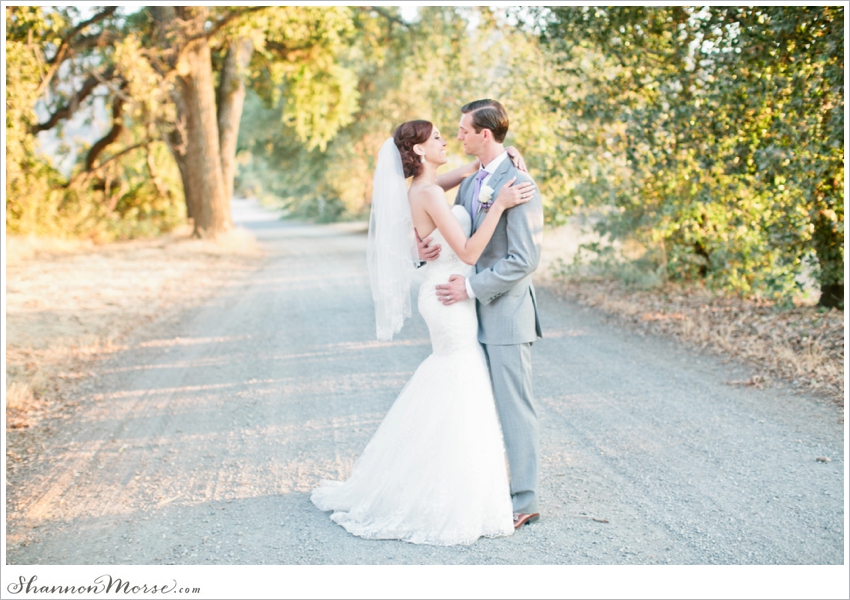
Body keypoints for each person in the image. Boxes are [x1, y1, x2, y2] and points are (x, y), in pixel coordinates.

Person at [310, 120, 535, 545]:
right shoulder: (428, 193)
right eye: (435, 138)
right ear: (417, 149)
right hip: (450, 299)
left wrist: (501, 163)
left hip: (445, 292)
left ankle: (446, 479)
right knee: (459, 383)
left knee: (453, 384)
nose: (445, 140)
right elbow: (468, 251)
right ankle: (452, 491)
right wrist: (501, 205)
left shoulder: (424, 186)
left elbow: (467, 174)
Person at [435, 99, 544, 530]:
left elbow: (524, 258)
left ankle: (525, 500)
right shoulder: (470, 181)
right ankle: (487, 488)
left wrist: (471, 287)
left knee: (515, 408)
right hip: (469, 319)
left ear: (485, 134)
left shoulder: (520, 182)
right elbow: (463, 234)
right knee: (477, 406)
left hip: (506, 315)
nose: (457, 135)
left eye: (463, 130)